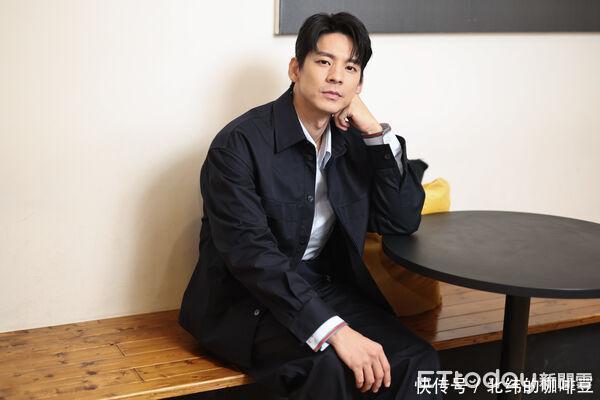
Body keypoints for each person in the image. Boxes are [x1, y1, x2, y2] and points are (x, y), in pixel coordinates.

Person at [179, 12, 441, 399]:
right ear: (295, 69)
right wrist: (336, 331)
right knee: (331, 369)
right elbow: (252, 256)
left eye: (350, 67)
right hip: (245, 301)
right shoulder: (237, 146)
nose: (336, 76)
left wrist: (375, 133)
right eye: (324, 61)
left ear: (359, 84)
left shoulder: (355, 140)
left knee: (420, 362)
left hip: (321, 287)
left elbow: (400, 220)